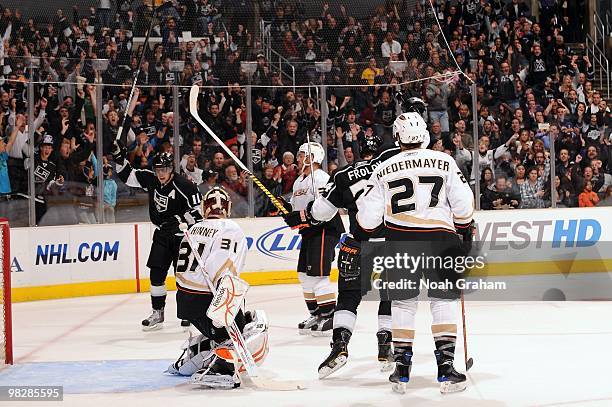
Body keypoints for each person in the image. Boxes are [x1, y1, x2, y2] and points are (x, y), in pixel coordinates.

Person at [356, 112, 474, 394]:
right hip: (440, 240)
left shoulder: (384, 167)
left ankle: (401, 370)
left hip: (400, 241)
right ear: (425, 134)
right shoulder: (444, 161)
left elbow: (367, 221)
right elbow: (464, 206)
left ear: (397, 137)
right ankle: (446, 370)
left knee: (402, 304)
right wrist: (464, 228)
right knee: (442, 302)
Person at [283, 135, 400, 378]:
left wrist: (301, 216)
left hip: (356, 244)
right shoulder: (395, 165)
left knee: (348, 297)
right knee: (389, 296)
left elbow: (321, 212)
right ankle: (385, 346)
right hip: (390, 243)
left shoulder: (344, 174)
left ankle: (339, 346)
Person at [166, 186, 269, 389]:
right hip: (208, 299)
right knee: (247, 325)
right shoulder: (230, 228)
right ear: (227, 208)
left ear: (205, 208)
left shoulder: (194, 228)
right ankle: (221, 368)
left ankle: (198, 350)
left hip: (185, 301)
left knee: (235, 323)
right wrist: (225, 310)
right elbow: (223, 268)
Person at [112, 143, 202, 330]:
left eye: (166, 169)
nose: (162, 173)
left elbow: (198, 212)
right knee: (156, 273)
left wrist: (181, 220)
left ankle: (187, 314)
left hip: (182, 237)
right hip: (161, 234)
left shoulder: (184, 185)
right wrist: (119, 159)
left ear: (172, 169)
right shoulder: (152, 180)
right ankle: (157, 312)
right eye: (159, 169)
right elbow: (128, 176)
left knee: (183, 276)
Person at [283, 142, 345, 336]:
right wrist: (288, 211)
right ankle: (317, 313)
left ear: (312, 157)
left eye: (301, 155)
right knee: (303, 275)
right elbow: (298, 210)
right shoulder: (299, 181)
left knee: (319, 276)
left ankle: (330, 315)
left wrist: (301, 216)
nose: (298, 158)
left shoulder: (321, 178)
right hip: (310, 231)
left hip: (326, 229)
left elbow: (327, 208)